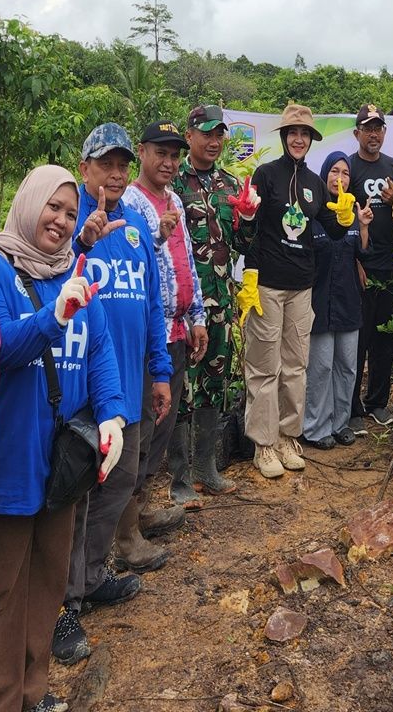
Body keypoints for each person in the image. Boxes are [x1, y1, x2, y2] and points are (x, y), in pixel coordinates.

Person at [0, 166, 126, 712]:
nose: (60, 220)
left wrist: (113, 415)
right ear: (27, 202)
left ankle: (29, 694)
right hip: (4, 464)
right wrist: (51, 318)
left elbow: (99, 349)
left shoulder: (73, 268)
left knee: (45, 588)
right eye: (52, 207)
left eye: (70, 212)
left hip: (60, 468)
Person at [53, 122, 172, 665]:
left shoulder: (134, 231)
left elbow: (150, 305)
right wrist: (81, 239)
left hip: (130, 382)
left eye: (123, 165)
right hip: (80, 388)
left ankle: (93, 575)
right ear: (85, 168)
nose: (117, 174)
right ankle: (63, 603)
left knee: (119, 482)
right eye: (107, 164)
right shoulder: (64, 219)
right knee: (76, 495)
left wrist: (161, 370)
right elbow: (52, 283)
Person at [238, 104, 353, 478]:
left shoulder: (316, 184)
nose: (299, 139)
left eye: (305, 134)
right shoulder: (266, 175)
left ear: (310, 140)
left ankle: (288, 436)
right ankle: (263, 444)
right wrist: (251, 270)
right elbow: (248, 234)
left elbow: (332, 232)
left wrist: (345, 215)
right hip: (269, 286)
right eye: (293, 133)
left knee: (295, 367)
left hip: (302, 287)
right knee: (264, 366)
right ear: (285, 137)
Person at [122, 120, 208, 557]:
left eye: (174, 155)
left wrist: (197, 315)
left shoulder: (173, 198)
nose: (169, 162)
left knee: (160, 428)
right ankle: (123, 532)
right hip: (144, 337)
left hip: (176, 331)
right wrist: (157, 235)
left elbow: (187, 263)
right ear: (142, 152)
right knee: (138, 430)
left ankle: (139, 510)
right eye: (161, 153)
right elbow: (140, 264)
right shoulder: (130, 202)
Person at [173, 104, 246, 500]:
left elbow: (243, 246)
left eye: (219, 134)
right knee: (181, 385)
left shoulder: (231, 186)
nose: (213, 141)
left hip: (220, 301)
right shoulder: (173, 185)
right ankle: (178, 478)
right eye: (206, 133)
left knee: (214, 383)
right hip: (184, 305)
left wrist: (248, 219)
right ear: (190, 137)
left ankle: (206, 468)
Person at [303, 152, 372, 448]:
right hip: (318, 303)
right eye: (334, 171)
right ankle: (316, 428)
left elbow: (363, 253)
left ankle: (340, 423)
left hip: (347, 302)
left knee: (347, 367)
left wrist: (364, 225)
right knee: (319, 368)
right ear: (324, 175)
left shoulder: (352, 213)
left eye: (345, 173)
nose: (339, 178)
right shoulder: (313, 212)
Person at [348, 103, 393, 430]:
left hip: (389, 265)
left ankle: (377, 403)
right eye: (367, 128)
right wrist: (355, 260)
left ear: (384, 132)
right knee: (358, 338)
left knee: (386, 336)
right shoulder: (350, 168)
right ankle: (353, 408)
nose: (373, 133)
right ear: (357, 133)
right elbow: (343, 220)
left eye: (378, 128)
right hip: (359, 265)